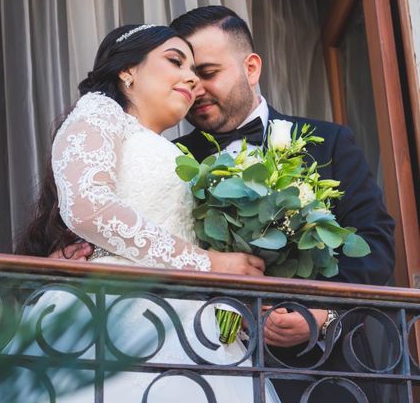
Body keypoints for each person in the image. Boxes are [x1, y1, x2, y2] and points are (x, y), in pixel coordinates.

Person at [15, 24, 279, 402]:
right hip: (109, 319)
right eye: (175, 61)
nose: (191, 78)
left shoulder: (174, 153)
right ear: (128, 71)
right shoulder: (99, 113)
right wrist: (207, 263)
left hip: (189, 326)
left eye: (196, 70)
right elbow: (89, 206)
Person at [169, 5, 395, 402]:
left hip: (322, 376)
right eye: (187, 78)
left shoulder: (329, 143)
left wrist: (323, 315)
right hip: (199, 372)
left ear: (251, 68)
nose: (196, 89)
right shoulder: (168, 160)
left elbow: (375, 245)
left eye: (207, 73)